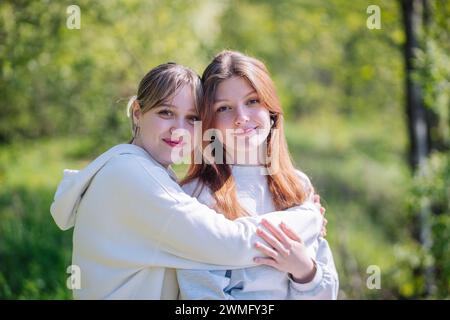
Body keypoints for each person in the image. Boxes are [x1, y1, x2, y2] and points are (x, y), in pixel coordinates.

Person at [50, 62, 325, 299]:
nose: (179, 130)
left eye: (192, 118)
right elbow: (230, 243)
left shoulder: (146, 172)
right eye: (165, 113)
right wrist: (308, 217)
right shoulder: (130, 174)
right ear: (137, 113)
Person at [176, 51, 338, 299]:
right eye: (224, 108)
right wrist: (308, 219)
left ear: (271, 109)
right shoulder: (196, 196)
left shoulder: (297, 186)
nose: (242, 118)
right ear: (210, 124)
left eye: (252, 101)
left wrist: (304, 270)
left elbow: (328, 292)